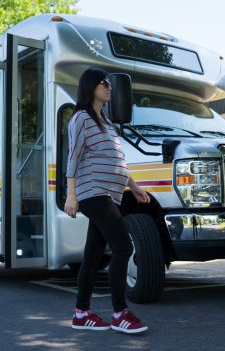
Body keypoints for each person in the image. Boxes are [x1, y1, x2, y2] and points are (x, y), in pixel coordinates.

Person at [64, 67, 150, 334]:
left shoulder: (106, 122)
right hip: (93, 192)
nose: (109, 87)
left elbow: (116, 161)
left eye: (109, 83)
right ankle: (119, 312)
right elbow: (73, 157)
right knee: (123, 247)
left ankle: (81, 313)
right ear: (91, 87)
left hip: (110, 194)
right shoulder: (80, 119)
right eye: (104, 83)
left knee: (92, 256)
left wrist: (133, 186)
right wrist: (71, 194)